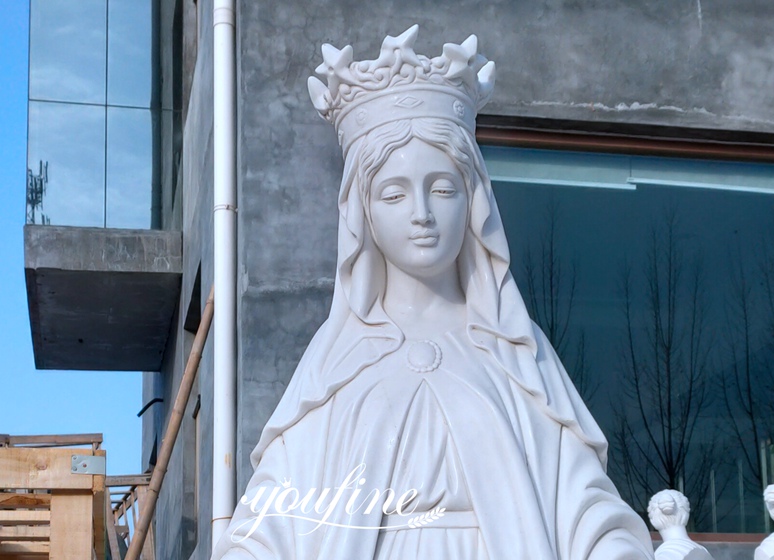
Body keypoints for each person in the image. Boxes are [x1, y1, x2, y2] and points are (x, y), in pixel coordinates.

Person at [211, 25, 654, 560]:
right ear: (363, 214)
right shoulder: (335, 362)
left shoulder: (512, 348)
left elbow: (585, 509)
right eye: (394, 194)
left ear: (473, 200)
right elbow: (272, 521)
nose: (421, 214)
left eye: (442, 189)